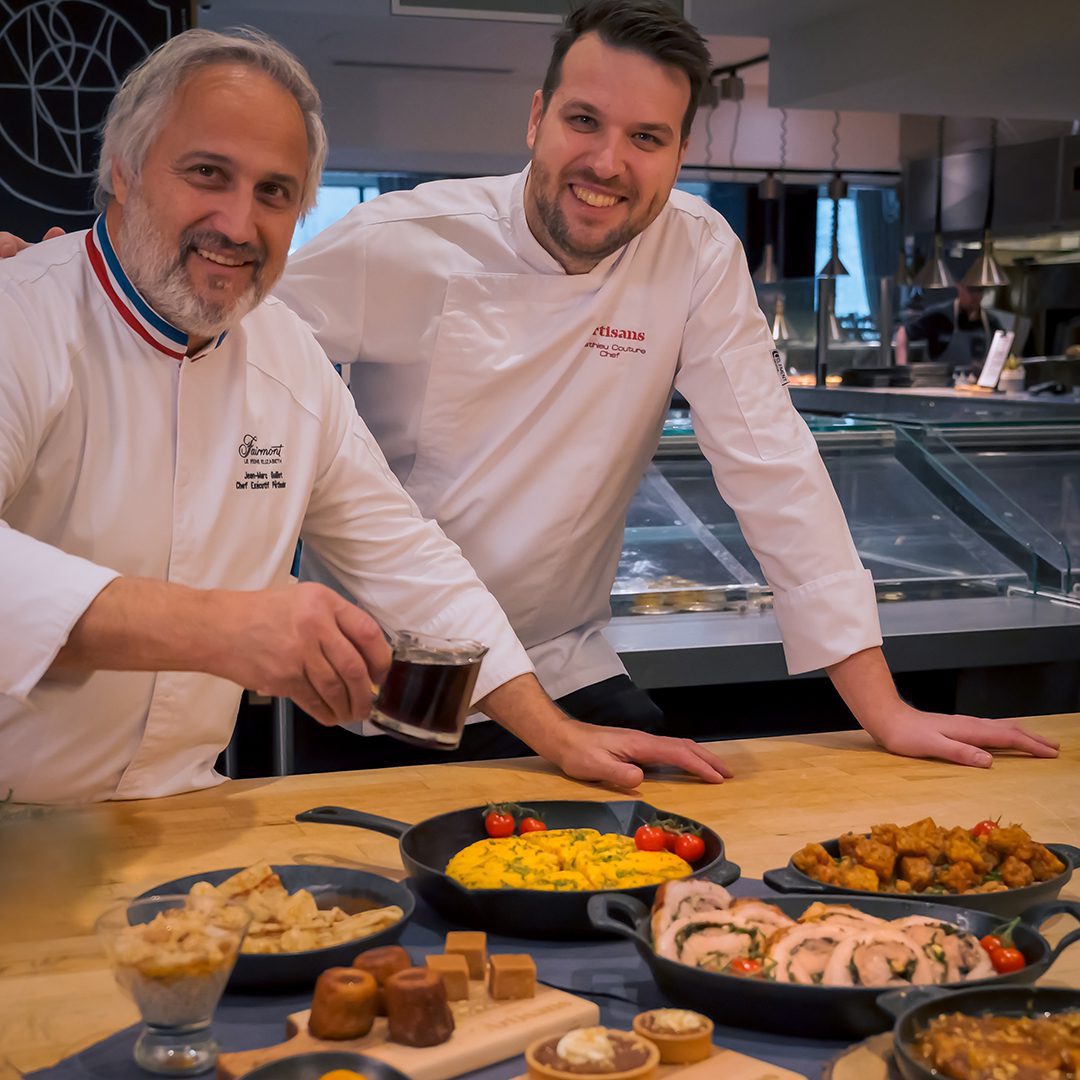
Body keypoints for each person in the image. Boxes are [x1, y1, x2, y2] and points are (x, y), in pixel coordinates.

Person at [1, 4, 1057, 773]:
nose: (608, 162)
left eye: (647, 139)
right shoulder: (401, 240)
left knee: (650, 844)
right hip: (396, 674)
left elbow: (772, 464)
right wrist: (78, 270)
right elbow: (213, 294)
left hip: (556, 656)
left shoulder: (695, 255)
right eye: (584, 121)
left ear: (680, 153)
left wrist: (882, 709)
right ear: (537, 116)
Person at [0, 27, 731, 804]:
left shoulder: (282, 351)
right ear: (122, 166)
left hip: (183, 809)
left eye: (275, 193)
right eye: (207, 173)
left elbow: (407, 560)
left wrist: (555, 732)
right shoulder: (23, 314)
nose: (239, 225)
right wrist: (219, 627)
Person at [895, 283, 1004, 372]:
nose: (976, 296)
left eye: (980, 291)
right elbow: (903, 332)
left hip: (974, 387)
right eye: (971, 290)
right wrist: (902, 369)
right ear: (959, 288)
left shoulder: (990, 322)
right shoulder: (939, 316)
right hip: (939, 384)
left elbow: (1004, 348)